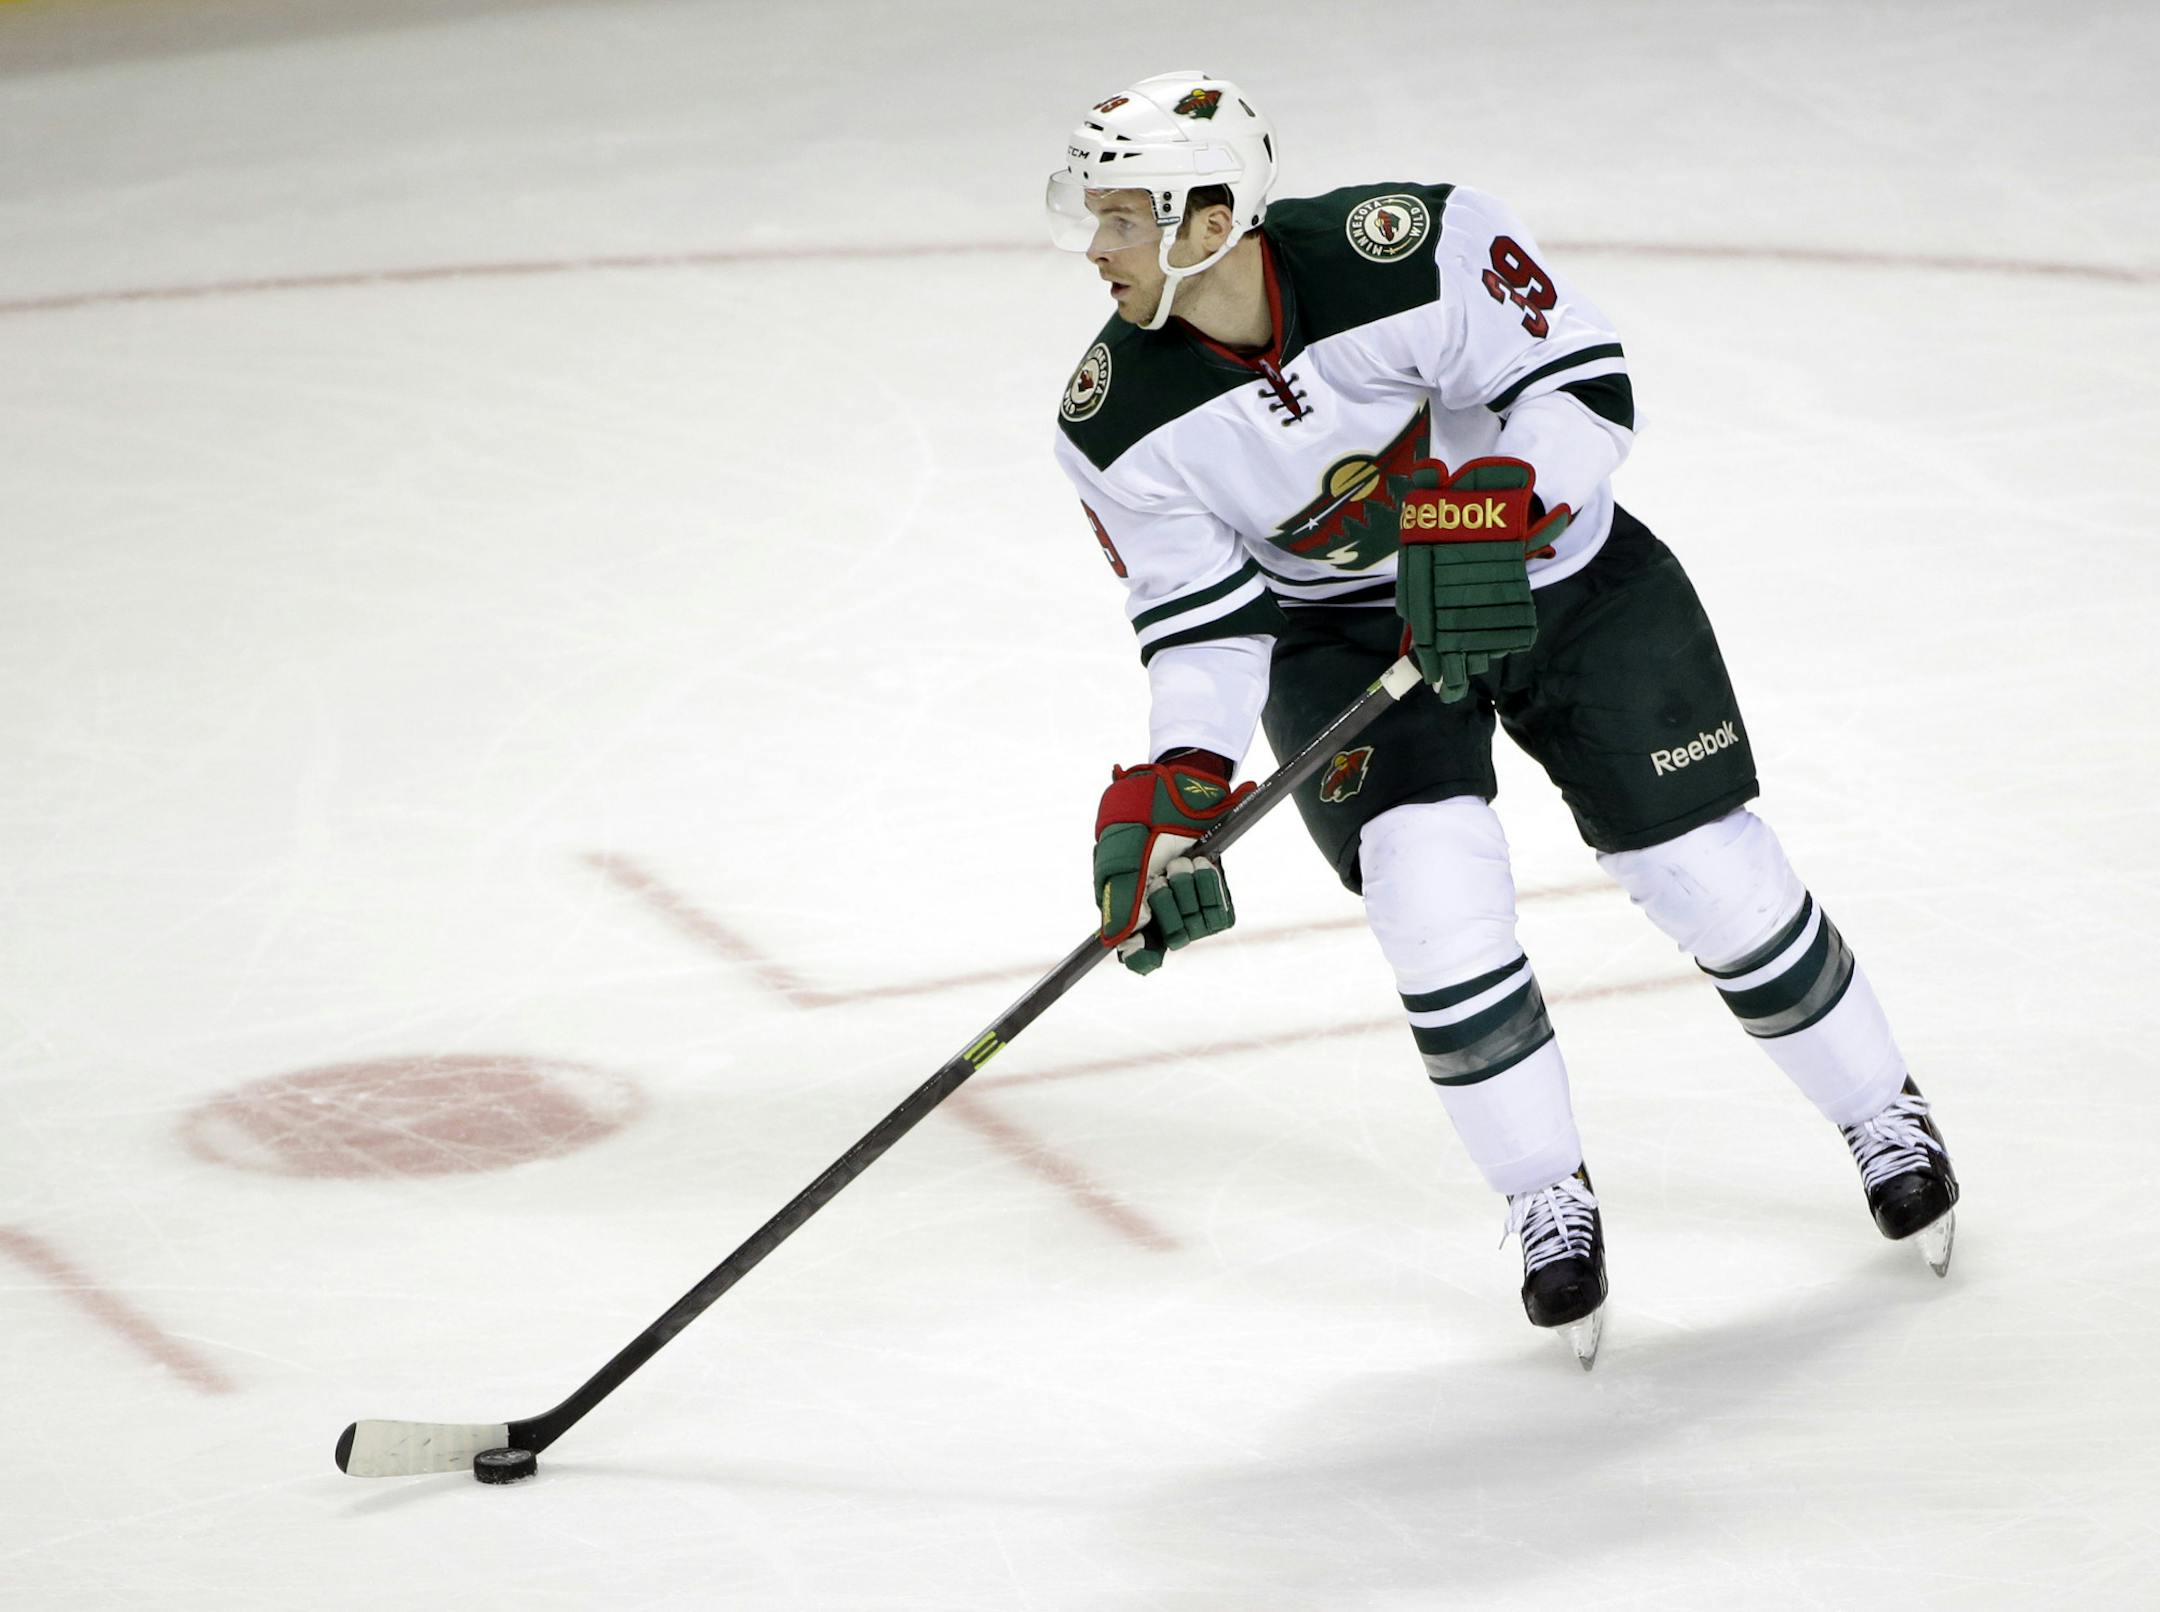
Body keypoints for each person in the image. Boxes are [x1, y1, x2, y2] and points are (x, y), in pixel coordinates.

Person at [1045, 71, 1958, 1368]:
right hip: (1346, 639)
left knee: (1700, 866)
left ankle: (1879, 1110)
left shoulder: (1411, 245)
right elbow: (1205, 626)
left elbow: (1582, 389)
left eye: (1123, 217)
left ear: (1210, 218)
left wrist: (1497, 511)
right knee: (1429, 894)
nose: (1096, 247)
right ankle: (1545, 1197)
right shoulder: (1114, 421)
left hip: (1555, 569)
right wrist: (1182, 781)